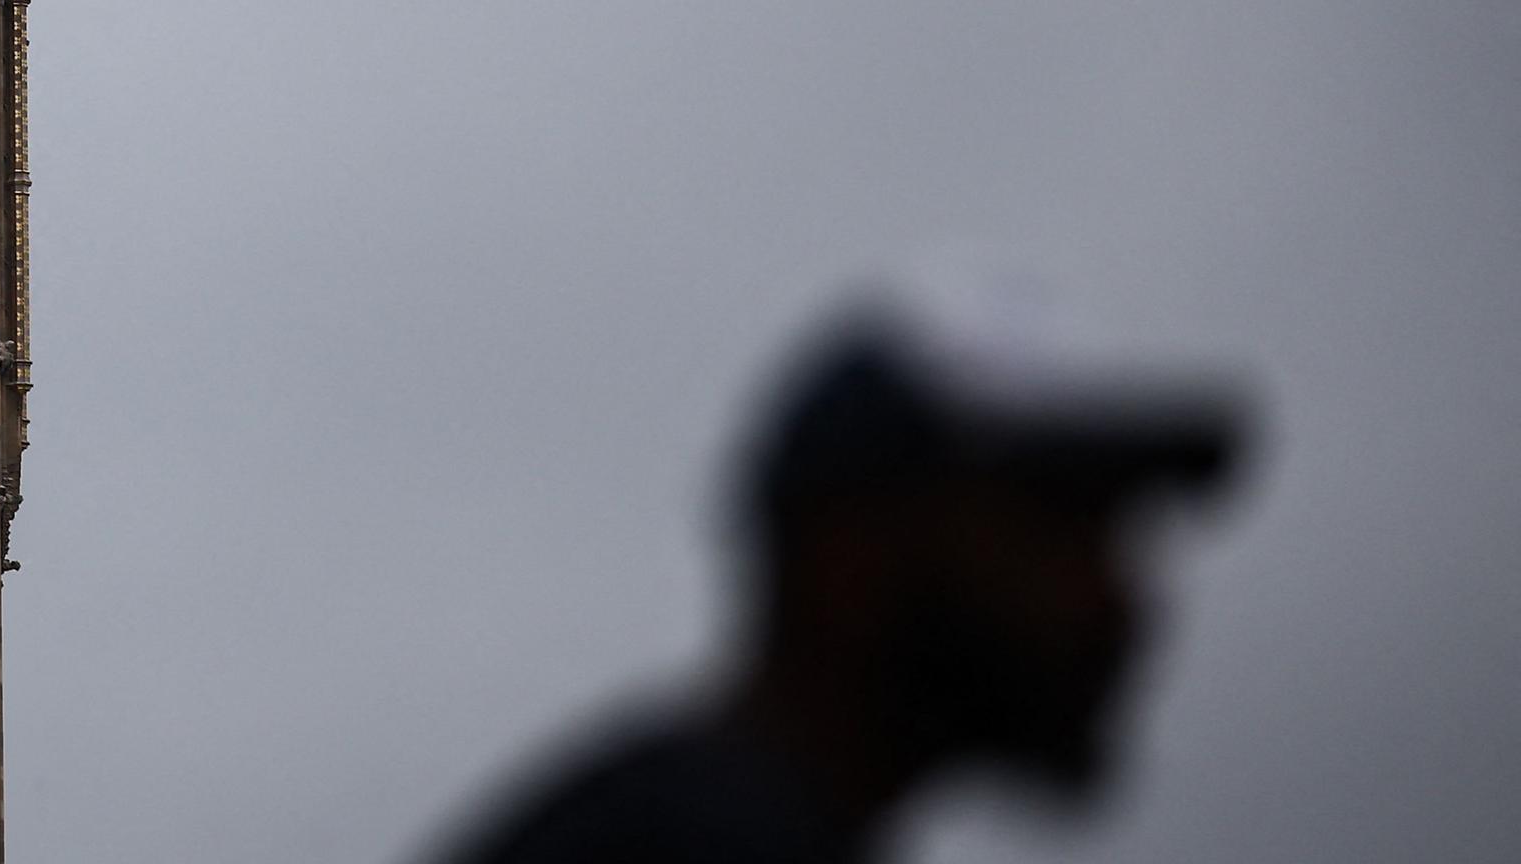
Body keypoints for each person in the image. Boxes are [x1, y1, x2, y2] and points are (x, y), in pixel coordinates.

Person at [424, 275, 1253, 864]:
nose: (1124, 601)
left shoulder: (679, 816)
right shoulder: (703, 842)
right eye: (1061, 528)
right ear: (848, 559)